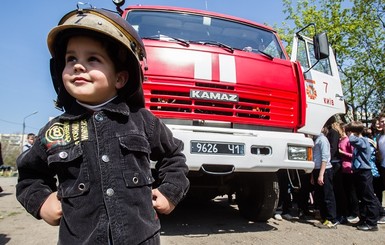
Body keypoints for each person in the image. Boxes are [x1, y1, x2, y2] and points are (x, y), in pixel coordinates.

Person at [16, 7, 190, 244]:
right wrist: (41, 201)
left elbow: (173, 156)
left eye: (93, 59)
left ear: (120, 78)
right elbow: (30, 175)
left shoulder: (142, 121)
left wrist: (170, 191)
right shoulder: (55, 131)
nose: (78, 66)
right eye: (71, 59)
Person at [347, 121, 380, 231]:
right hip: (358, 171)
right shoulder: (360, 141)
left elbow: (352, 140)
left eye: (349, 131)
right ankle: (364, 218)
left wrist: (351, 134)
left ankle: (372, 222)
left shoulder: (364, 141)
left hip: (365, 172)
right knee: (362, 197)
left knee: (368, 197)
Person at [312, 126, 338, 229]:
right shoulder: (316, 139)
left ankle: (332, 219)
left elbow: (325, 158)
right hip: (317, 169)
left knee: (328, 196)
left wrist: (321, 174)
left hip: (325, 170)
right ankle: (324, 219)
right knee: (320, 196)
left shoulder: (323, 139)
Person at [339, 123, 359, 223]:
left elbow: (353, 155)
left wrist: (342, 153)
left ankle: (355, 213)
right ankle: (348, 212)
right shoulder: (341, 140)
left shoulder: (348, 141)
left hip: (349, 169)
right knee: (346, 192)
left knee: (352, 192)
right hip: (342, 169)